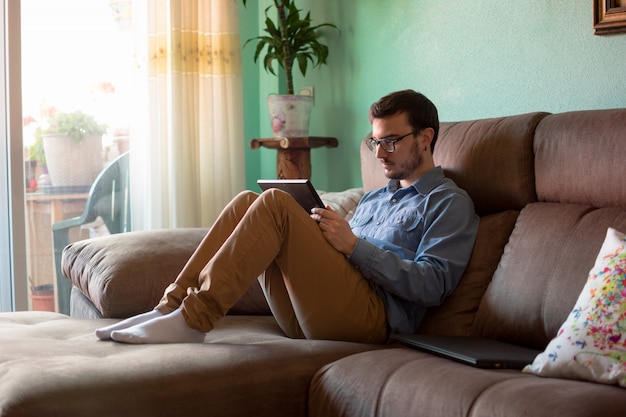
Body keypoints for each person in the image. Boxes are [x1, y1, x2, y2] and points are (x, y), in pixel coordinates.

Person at [96, 89, 479, 345]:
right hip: (312, 311)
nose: (379, 154)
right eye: (375, 142)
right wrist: (323, 235)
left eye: (391, 141)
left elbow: (434, 285)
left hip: (373, 320)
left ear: (425, 138)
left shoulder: (448, 203)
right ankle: (169, 307)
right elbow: (338, 256)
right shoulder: (375, 197)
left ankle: (194, 321)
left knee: (277, 202)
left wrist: (354, 246)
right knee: (249, 200)